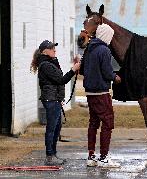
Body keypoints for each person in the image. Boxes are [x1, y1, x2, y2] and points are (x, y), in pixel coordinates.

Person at [30, 40, 80, 166]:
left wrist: (60, 98)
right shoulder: (46, 65)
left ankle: (53, 154)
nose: (54, 50)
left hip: (54, 99)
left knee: (57, 128)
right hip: (51, 100)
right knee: (52, 128)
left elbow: (57, 81)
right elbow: (61, 80)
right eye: (52, 49)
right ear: (45, 51)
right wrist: (73, 70)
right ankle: (49, 156)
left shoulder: (50, 62)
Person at [79, 24, 121, 168]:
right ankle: (104, 158)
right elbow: (107, 72)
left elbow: (82, 70)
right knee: (108, 123)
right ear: (106, 36)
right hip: (101, 92)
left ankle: (91, 156)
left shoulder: (89, 48)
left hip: (89, 93)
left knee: (93, 123)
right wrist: (115, 77)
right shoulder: (104, 50)